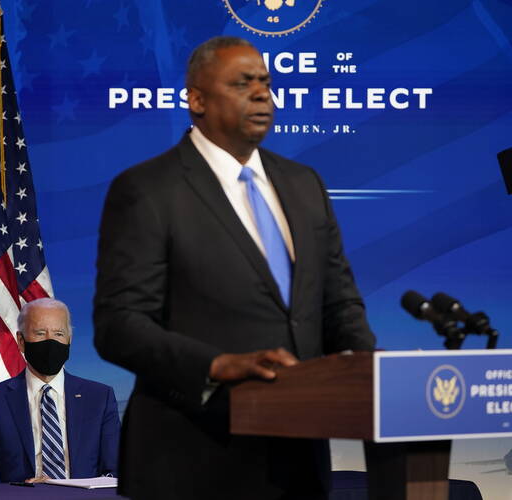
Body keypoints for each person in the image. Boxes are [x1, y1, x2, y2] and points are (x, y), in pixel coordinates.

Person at [93, 36, 375, 500]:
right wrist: (217, 364)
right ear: (197, 100)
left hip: (297, 462)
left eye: (264, 82)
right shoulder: (148, 189)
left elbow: (338, 302)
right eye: (243, 83)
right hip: (192, 458)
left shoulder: (303, 185)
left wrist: (368, 369)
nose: (262, 94)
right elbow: (118, 326)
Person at [0, 298, 120, 484]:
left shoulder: (99, 398)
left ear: (69, 341)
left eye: (58, 334)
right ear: (21, 341)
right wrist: (23, 492)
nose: (50, 341)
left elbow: (115, 472)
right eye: (40, 333)